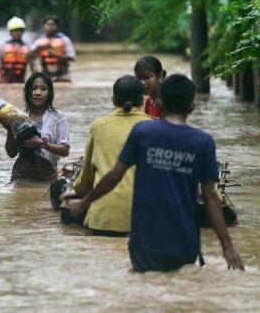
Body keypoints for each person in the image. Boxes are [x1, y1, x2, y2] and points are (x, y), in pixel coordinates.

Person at [69, 74, 244, 272]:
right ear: (192, 106)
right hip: (184, 240)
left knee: (146, 291)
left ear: (159, 103)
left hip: (145, 239)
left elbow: (114, 175)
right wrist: (227, 247)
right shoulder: (203, 142)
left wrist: (84, 203)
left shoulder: (143, 133)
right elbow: (210, 196)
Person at [59, 75, 151, 237]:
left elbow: (88, 173)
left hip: (105, 216)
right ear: (142, 101)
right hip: (145, 217)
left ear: (114, 101)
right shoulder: (155, 126)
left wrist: (76, 191)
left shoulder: (99, 126)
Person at [1, 72, 70, 182]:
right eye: (34, 88)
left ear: (50, 93)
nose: (38, 93)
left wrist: (42, 144)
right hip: (20, 176)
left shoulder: (58, 117)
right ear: (28, 92)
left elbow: (65, 150)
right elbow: (11, 153)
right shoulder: (19, 116)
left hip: (48, 177)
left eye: (43, 89)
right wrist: (9, 129)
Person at [0, 16, 37, 85]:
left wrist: (36, 81)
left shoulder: (28, 48)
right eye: (15, 31)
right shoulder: (2, 47)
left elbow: (33, 67)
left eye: (19, 30)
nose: (17, 33)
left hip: (20, 82)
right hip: (4, 81)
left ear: (23, 32)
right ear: (10, 32)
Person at [29, 15, 76, 83]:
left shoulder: (64, 39)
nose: (50, 27)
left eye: (53, 24)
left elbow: (72, 57)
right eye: (48, 24)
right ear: (44, 26)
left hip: (63, 74)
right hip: (46, 74)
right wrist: (39, 48)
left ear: (57, 26)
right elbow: (28, 56)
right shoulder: (39, 41)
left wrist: (55, 55)